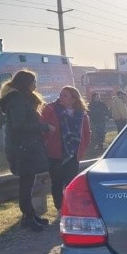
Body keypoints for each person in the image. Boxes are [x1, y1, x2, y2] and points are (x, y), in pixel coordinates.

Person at [0, 70, 55, 231]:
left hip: (26, 147)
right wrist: (44, 127)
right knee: (26, 183)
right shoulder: (17, 100)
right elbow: (19, 125)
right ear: (26, 83)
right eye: (33, 82)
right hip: (22, 148)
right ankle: (28, 217)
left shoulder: (20, 99)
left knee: (28, 182)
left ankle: (30, 214)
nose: (35, 85)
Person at [42, 86, 90, 215]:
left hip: (73, 155)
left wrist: (81, 150)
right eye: (61, 94)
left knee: (71, 183)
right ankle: (59, 208)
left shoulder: (81, 114)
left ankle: (71, 208)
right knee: (56, 182)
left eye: (65, 95)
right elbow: (43, 128)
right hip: (55, 154)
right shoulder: (51, 109)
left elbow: (86, 134)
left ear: (74, 99)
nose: (61, 97)